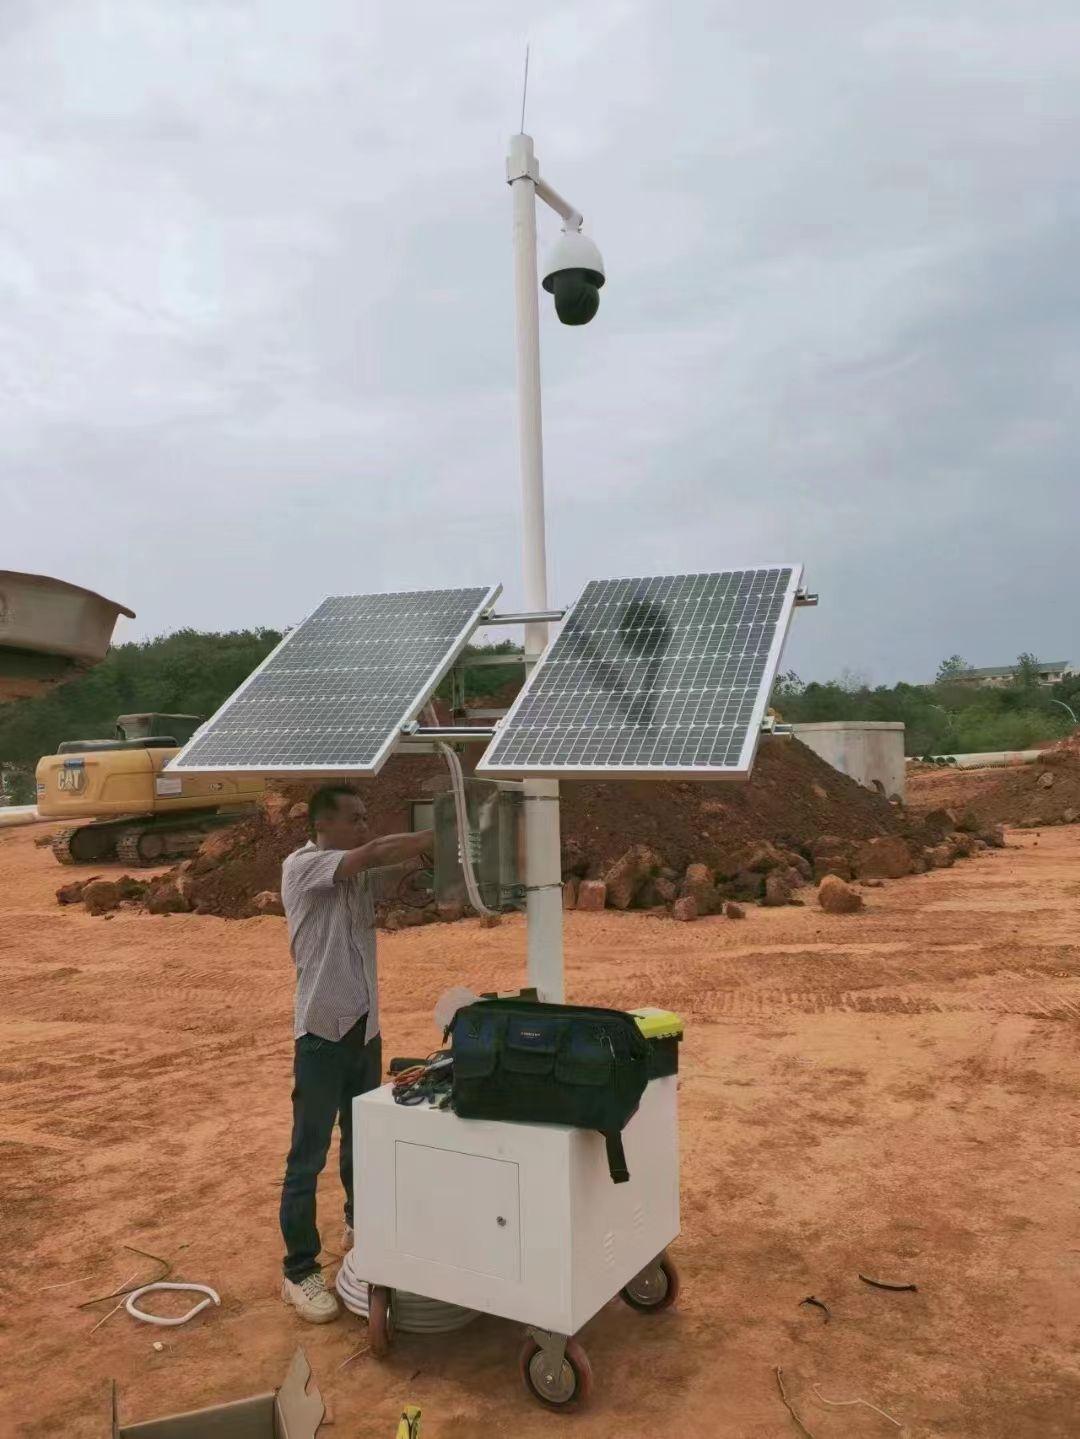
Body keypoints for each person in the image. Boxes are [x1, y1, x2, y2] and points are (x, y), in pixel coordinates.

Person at [279, 783, 433, 1323]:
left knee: (362, 1141)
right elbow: (374, 854)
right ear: (324, 825)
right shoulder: (302, 866)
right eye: (356, 818)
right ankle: (298, 1271)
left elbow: (382, 866)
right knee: (307, 1157)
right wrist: (443, 832)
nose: (365, 826)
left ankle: (357, 1222)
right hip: (322, 1035)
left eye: (369, 817)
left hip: (364, 1033)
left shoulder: (355, 872)